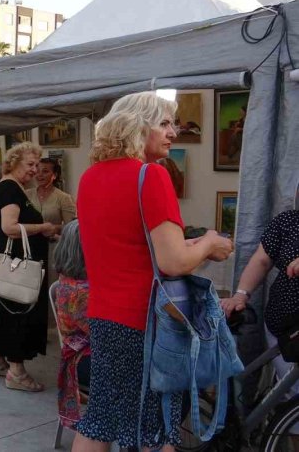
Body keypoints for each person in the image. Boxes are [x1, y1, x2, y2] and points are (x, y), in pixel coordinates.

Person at [73, 92, 233, 451]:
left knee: (100, 419)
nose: (172, 131)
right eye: (163, 123)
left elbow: (133, 250)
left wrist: (197, 246)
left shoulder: (90, 178)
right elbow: (172, 262)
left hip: (103, 317)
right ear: (136, 126)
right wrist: (209, 243)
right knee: (156, 427)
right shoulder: (152, 176)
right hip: (147, 322)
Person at [221, 182, 299, 420]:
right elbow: (261, 261)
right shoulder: (288, 222)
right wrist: (241, 294)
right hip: (286, 323)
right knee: (292, 396)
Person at [0, 142, 58, 392]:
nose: (35, 170)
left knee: (7, 311)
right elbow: (9, 228)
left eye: (37, 165)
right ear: (13, 163)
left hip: (15, 265)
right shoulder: (9, 189)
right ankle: (16, 372)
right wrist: (43, 227)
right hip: (20, 268)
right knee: (19, 313)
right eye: (30, 164)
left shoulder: (13, 188)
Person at [53, 220, 91, 429]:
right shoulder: (81, 291)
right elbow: (102, 331)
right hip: (82, 361)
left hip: (79, 354)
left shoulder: (68, 280)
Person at [26, 158, 76, 283]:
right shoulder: (26, 195)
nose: (40, 175)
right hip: (29, 247)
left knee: (49, 282)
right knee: (30, 285)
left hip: (52, 248)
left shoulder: (64, 198)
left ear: (55, 175)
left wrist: (56, 228)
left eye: (45, 171)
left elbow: (72, 229)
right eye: (38, 171)